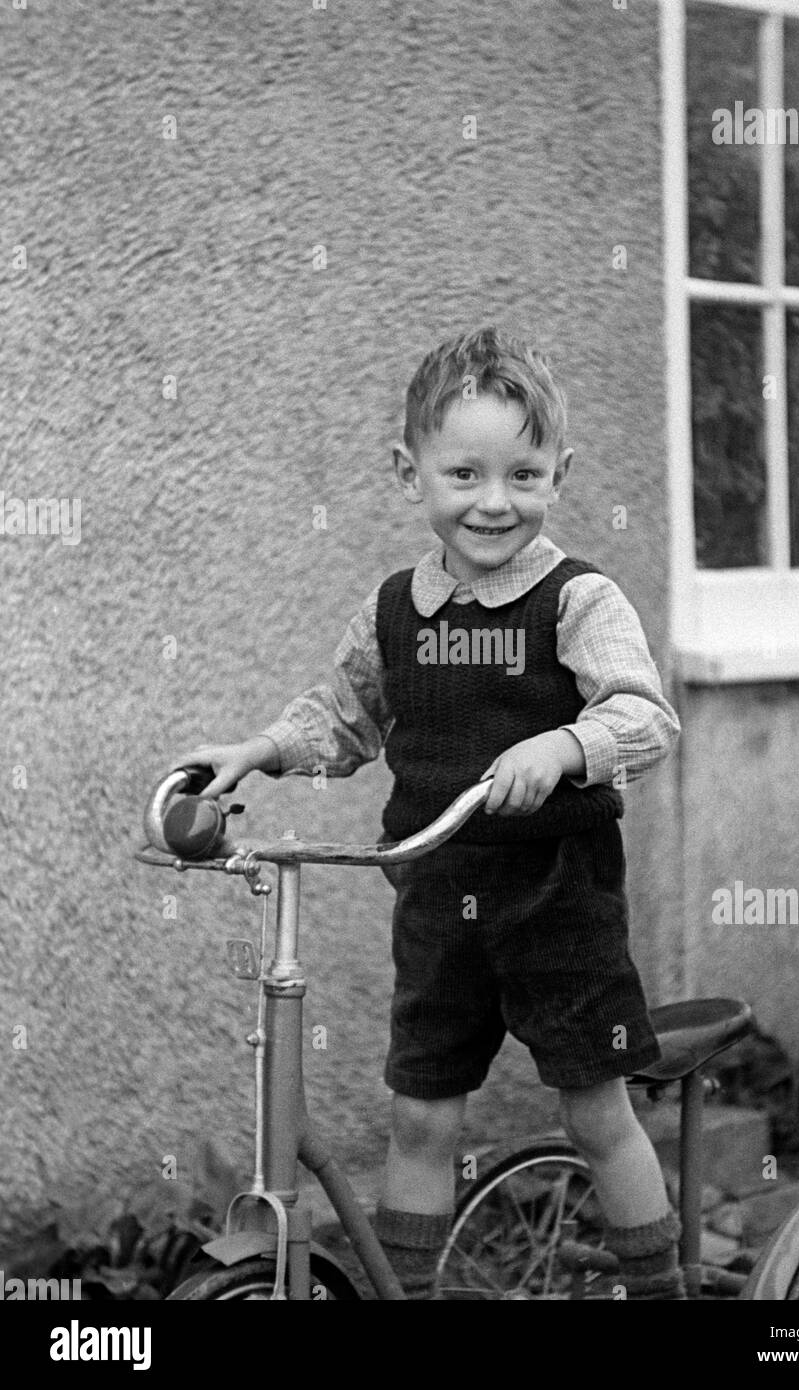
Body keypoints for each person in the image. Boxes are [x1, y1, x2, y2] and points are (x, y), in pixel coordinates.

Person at [174, 325, 684, 1299]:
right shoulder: (394, 609)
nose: (496, 501)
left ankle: (663, 1289)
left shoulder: (579, 601)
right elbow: (342, 719)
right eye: (466, 473)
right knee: (421, 1116)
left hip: (557, 901)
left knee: (594, 1108)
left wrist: (567, 744)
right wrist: (255, 753)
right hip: (438, 896)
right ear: (411, 475)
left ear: (559, 474)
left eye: (524, 474)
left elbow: (645, 717)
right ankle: (404, 1293)